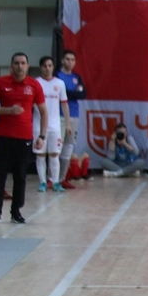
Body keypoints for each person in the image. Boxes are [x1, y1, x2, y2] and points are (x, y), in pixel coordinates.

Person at [0, 53, 47, 225]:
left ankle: (16, 212)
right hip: (3, 136)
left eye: (23, 63)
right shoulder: (1, 82)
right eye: (17, 63)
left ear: (28, 66)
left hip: (24, 137)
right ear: (11, 66)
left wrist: (42, 135)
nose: (20, 66)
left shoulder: (34, 85)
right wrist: (8, 111)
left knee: (20, 176)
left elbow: (43, 111)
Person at [33, 56, 70, 193]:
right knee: (40, 154)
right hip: (38, 125)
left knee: (54, 154)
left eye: (50, 65)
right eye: (44, 66)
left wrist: (68, 123)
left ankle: (55, 182)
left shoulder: (60, 83)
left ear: (53, 67)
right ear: (40, 67)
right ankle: (43, 182)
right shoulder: (35, 83)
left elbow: (64, 104)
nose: (47, 68)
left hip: (55, 125)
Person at [56, 49, 89, 183]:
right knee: (56, 147)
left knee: (69, 146)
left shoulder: (77, 77)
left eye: (72, 60)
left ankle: (62, 178)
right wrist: (71, 93)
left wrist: (67, 92)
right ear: (62, 60)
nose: (70, 62)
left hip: (74, 115)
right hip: (58, 115)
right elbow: (58, 93)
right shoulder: (57, 75)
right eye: (67, 59)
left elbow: (82, 94)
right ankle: (53, 177)